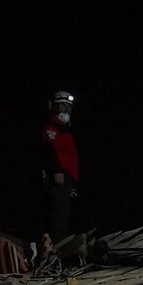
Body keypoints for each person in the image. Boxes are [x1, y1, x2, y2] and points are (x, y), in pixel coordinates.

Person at [41, 90, 80, 246]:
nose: (67, 110)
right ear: (55, 106)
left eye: (69, 107)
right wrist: (56, 170)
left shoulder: (65, 130)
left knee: (63, 213)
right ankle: (53, 246)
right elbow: (48, 149)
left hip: (66, 178)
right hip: (57, 175)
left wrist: (72, 181)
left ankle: (57, 245)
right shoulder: (51, 126)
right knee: (57, 213)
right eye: (64, 106)